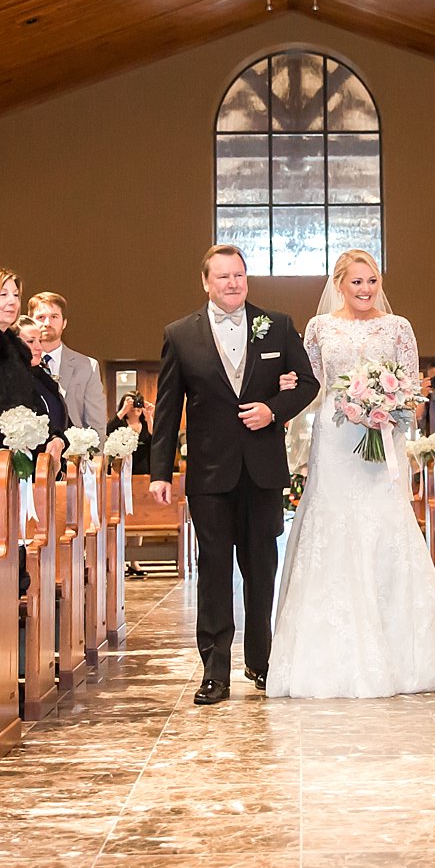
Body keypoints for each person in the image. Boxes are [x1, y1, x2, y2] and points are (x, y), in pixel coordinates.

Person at [267, 250, 435, 699]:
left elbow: (410, 387)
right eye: (356, 282)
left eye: (372, 281)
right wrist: (291, 396)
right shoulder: (320, 327)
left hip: (382, 436)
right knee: (333, 525)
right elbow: (311, 383)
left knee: (385, 523)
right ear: (339, 283)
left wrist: (386, 408)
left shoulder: (398, 327)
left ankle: (402, 650)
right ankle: (328, 652)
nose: (366, 290)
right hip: (335, 437)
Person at [148, 244, 319, 704]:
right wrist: (160, 471)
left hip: (262, 469)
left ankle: (261, 661)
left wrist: (273, 410)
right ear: (205, 282)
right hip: (210, 472)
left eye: (239, 275)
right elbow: (167, 410)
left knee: (262, 567)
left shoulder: (277, 326)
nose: (232, 283)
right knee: (215, 568)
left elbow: (307, 383)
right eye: (222, 276)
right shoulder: (181, 334)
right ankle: (215, 671)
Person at [0, 268, 56, 481]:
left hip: (16, 455)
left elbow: (31, 399)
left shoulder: (14, 348)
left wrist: (52, 434)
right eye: (3, 294)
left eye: (15, 295)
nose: (12, 302)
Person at [29, 291, 107, 432]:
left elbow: (97, 424)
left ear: (64, 323)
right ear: (31, 322)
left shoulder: (87, 366)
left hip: (75, 451)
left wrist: (96, 453)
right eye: (41, 317)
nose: (47, 323)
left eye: (54, 317)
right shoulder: (18, 363)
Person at [17, 315, 71, 442]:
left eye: (40, 341)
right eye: (31, 341)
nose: (39, 347)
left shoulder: (44, 378)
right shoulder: (13, 379)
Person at [106, 392, 153, 476]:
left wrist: (149, 417)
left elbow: (154, 438)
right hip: (120, 469)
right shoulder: (119, 424)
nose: (135, 407)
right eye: (131, 404)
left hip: (143, 471)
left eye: (138, 403)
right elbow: (108, 430)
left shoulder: (147, 425)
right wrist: (123, 410)